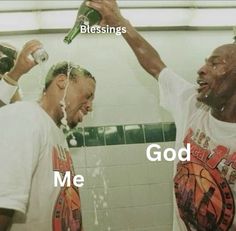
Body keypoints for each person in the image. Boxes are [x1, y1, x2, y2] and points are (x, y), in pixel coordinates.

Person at [87, 0, 236, 230]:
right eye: (205, 61)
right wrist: (120, 23)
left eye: (215, 64)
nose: (201, 69)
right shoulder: (192, 106)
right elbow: (156, 66)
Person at [0, 61, 96, 231]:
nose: (90, 106)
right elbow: (4, 202)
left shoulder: (54, 133)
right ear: (62, 82)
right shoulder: (24, 117)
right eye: (87, 96)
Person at [0, 40, 41, 107]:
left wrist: (10, 77)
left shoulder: (13, 87)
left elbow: (17, 109)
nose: (3, 64)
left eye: (7, 59)